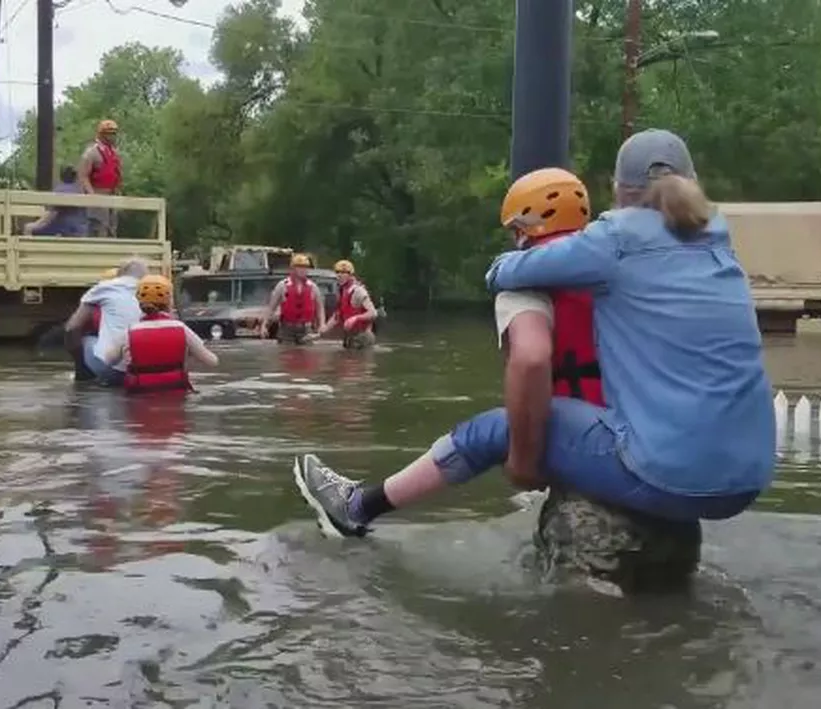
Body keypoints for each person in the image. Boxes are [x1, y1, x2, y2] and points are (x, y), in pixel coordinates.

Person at [294, 128, 776, 538]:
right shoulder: (718, 238)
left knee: (496, 428)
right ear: (692, 183)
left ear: (618, 189)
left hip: (669, 476)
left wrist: (502, 266)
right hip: (748, 477)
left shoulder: (613, 240)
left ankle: (358, 507)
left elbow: (526, 343)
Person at [104, 274, 219, 392]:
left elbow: (108, 360)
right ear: (170, 302)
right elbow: (212, 361)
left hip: (139, 395)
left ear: (139, 301)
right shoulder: (181, 329)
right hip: (176, 395)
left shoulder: (129, 332)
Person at [63, 257, 147, 386]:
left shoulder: (105, 287)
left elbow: (72, 327)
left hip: (111, 370)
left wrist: (77, 359)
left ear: (120, 273)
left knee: (86, 339)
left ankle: (83, 378)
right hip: (147, 371)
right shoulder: (153, 291)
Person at [260, 253, 325, 344]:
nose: (303, 270)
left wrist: (322, 324)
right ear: (293, 269)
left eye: (305, 267)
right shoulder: (282, 285)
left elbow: (320, 308)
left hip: (306, 330)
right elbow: (271, 308)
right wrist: (264, 325)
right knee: (286, 355)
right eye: (300, 267)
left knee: (308, 356)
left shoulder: (313, 287)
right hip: (287, 329)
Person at [318, 259, 378, 350]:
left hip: (362, 337)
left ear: (350, 275)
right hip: (350, 336)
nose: (340, 275)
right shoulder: (342, 291)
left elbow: (373, 313)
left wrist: (356, 318)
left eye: (344, 273)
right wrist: (325, 328)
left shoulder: (358, 291)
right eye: (338, 272)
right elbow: (337, 316)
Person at [77, 119, 122, 238]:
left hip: (112, 195)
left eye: (114, 133)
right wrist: (92, 195)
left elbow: (116, 173)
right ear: (102, 134)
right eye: (109, 133)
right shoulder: (91, 152)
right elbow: (83, 176)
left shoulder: (114, 152)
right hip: (97, 192)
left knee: (111, 229)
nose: (113, 136)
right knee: (98, 228)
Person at [24, 166, 88, 236]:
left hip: (63, 228)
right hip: (80, 230)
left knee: (29, 228)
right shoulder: (80, 190)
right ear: (75, 176)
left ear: (61, 176)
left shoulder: (59, 190)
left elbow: (52, 214)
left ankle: (30, 247)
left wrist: (36, 224)